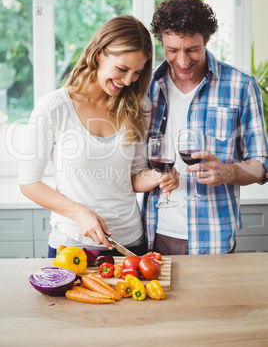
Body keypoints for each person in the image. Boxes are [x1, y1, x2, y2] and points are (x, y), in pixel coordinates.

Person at [19, 15, 179, 258]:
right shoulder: (54, 107)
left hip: (129, 243)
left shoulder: (139, 107)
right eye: (122, 69)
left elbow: (134, 177)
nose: (127, 81)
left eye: (136, 72)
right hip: (72, 244)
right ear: (99, 54)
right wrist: (79, 212)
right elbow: (29, 182)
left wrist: (158, 177)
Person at [142, 0, 268, 255]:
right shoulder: (147, 86)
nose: (183, 61)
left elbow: (261, 163)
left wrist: (229, 172)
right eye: (172, 50)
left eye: (192, 49)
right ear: (161, 43)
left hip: (215, 236)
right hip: (156, 233)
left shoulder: (241, 86)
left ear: (207, 40)